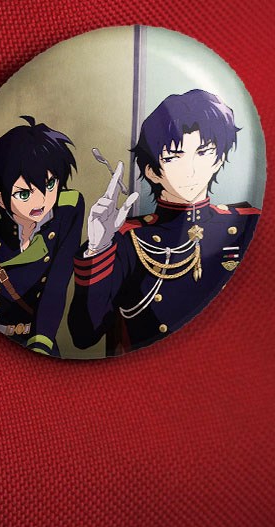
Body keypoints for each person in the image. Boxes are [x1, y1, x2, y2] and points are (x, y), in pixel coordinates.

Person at [68, 90, 260, 355]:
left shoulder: (247, 223)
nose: (191, 169)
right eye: (174, 157)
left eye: (204, 152)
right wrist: (98, 248)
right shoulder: (128, 240)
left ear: (220, 159)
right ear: (152, 171)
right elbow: (83, 335)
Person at [0, 116, 84, 356]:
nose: (41, 201)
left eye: (50, 185)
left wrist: (41, 344)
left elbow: (57, 283)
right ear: (1, 198)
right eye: (24, 194)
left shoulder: (68, 209)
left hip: (40, 338)